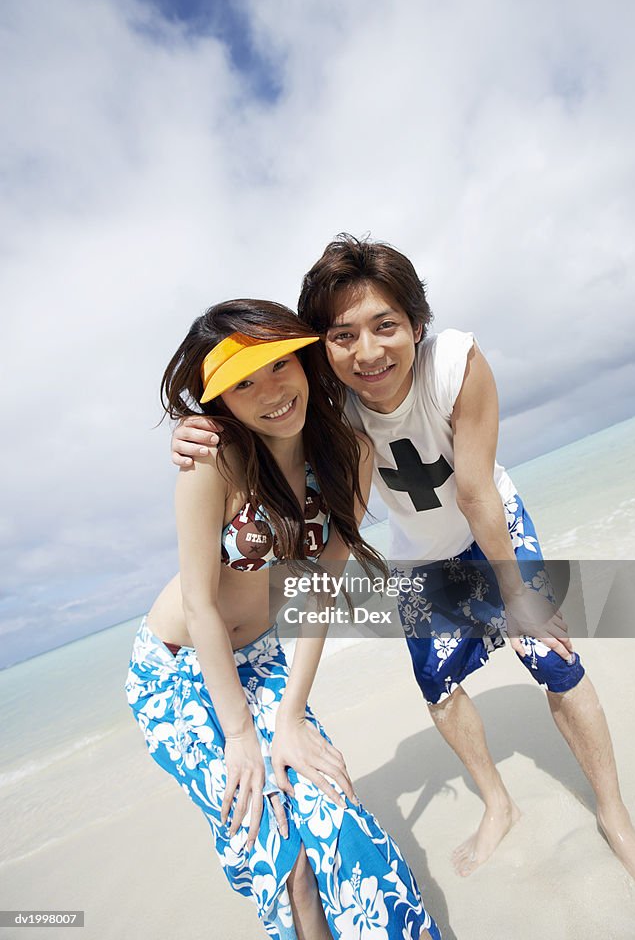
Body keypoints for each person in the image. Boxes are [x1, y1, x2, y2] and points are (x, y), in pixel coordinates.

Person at [172, 238, 635, 885]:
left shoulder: (454, 364)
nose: (367, 352)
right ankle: (496, 802)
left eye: (385, 326)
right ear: (322, 346)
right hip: (419, 557)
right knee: (440, 690)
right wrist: (192, 425)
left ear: (415, 325)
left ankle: (613, 812)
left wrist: (516, 597)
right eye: (342, 335)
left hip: (492, 529)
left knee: (553, 656)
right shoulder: (325, 404)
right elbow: (253, 412)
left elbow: (476, 492)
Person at [126, 299, 441, 940]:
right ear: (219, 403)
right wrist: (243, 734)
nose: (269, 393)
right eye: (242, 384)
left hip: (264, 658)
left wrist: (291, 716)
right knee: (283, 856)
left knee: (337, 817)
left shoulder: (346, 452)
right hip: (178, 670)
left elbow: (320, 587)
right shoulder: (214, 462)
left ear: (301, 358)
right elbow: (199, 604)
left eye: (275, 367)